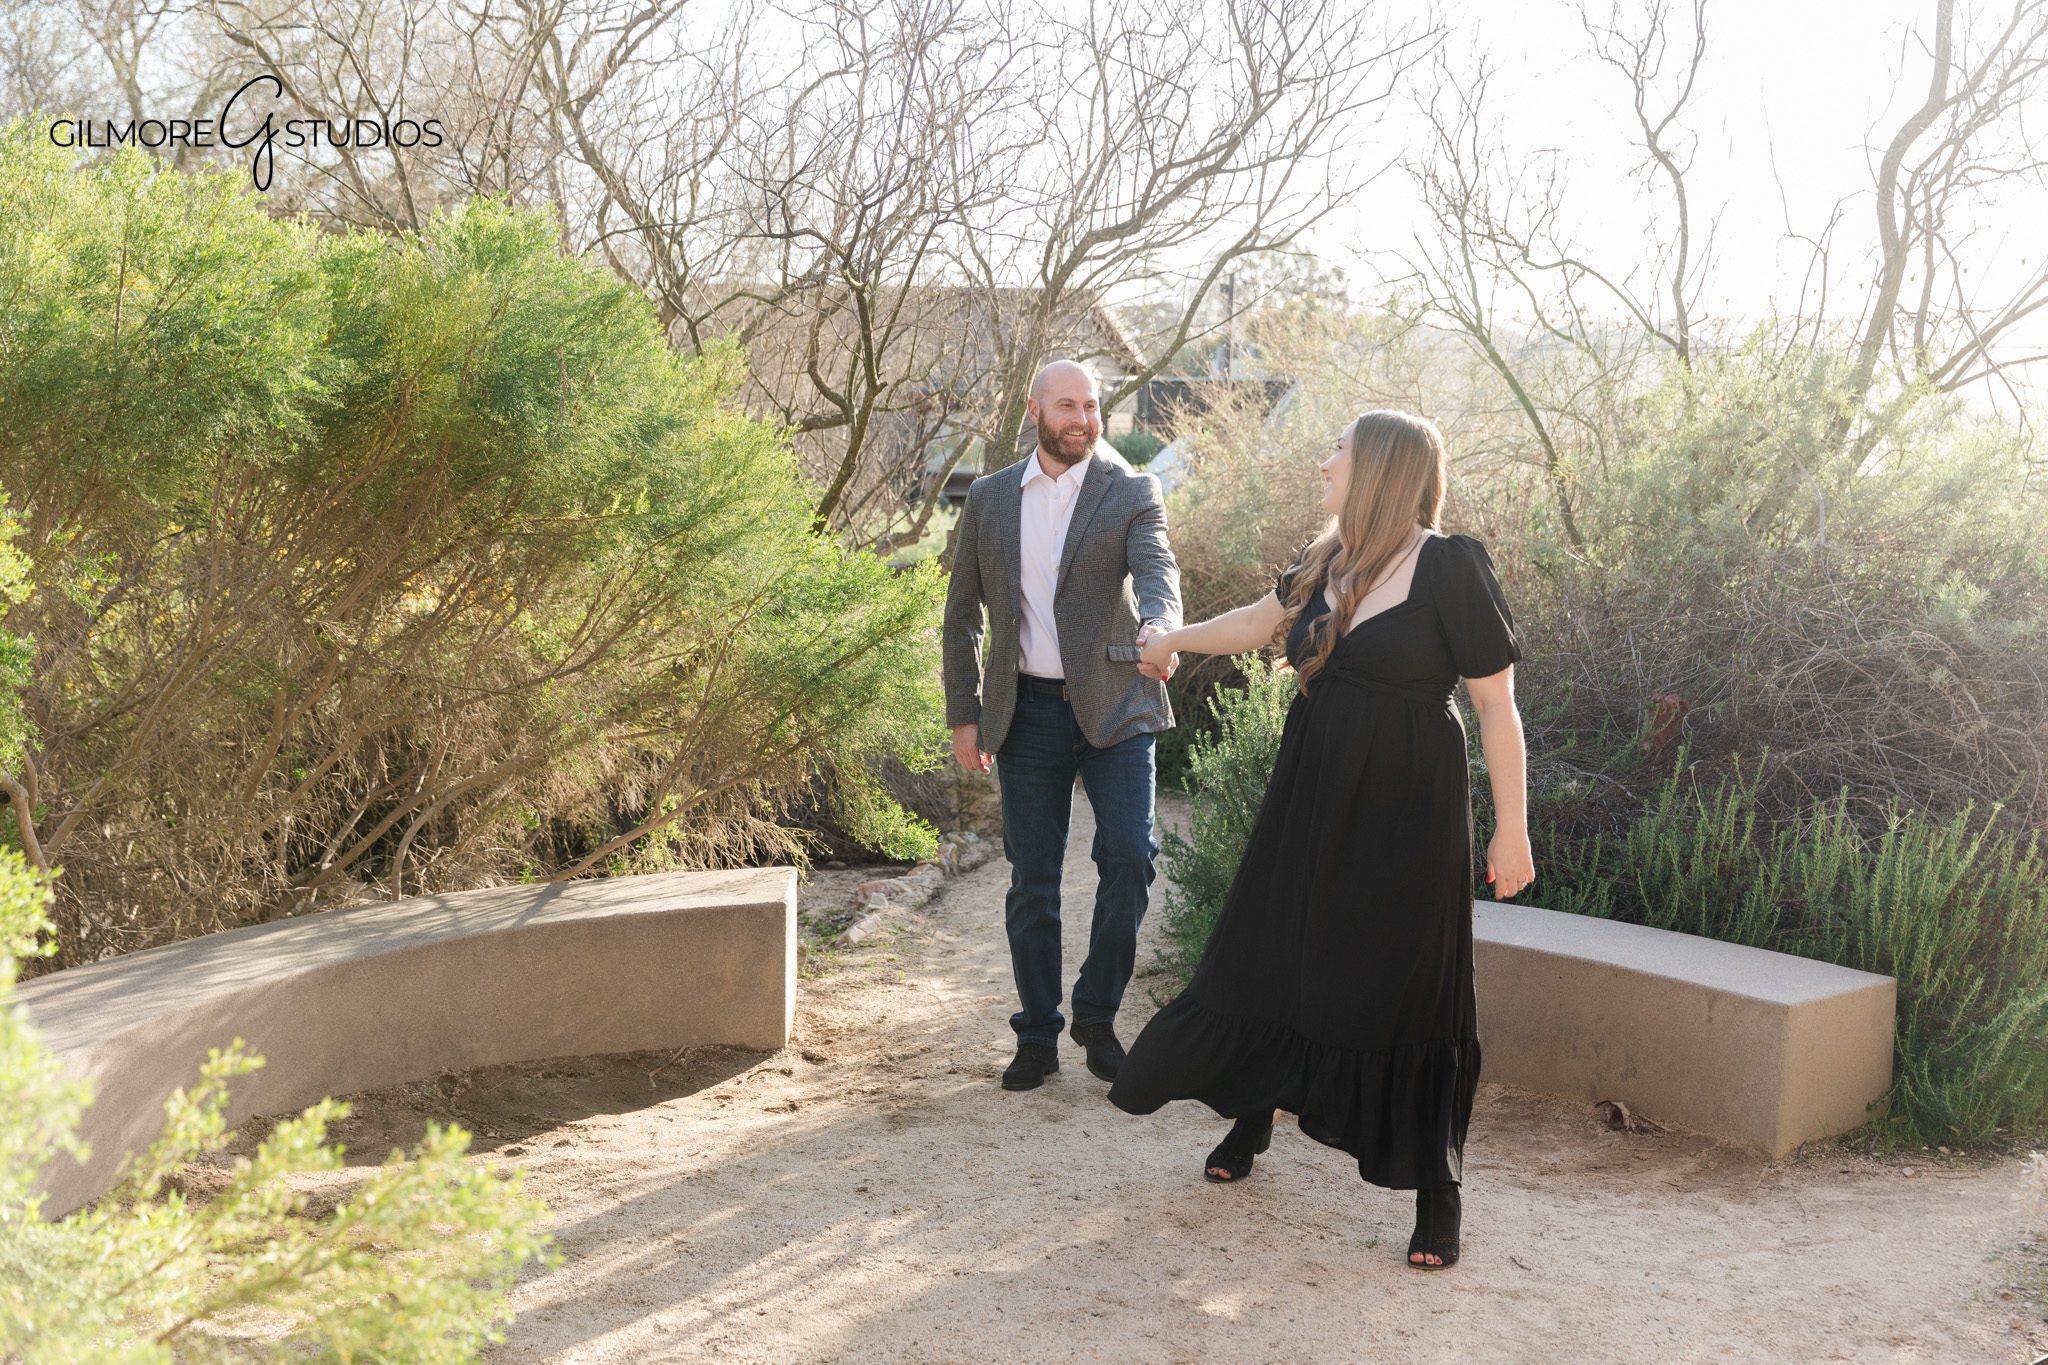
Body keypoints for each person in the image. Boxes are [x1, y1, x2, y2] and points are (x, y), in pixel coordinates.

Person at [1106, 408, 1532, 1271]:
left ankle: (1436, 1189)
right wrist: (1176, 639)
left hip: (1410, 806)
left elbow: (1497, 706)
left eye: (1337, 450)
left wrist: (1514, 828)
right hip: (1313, 795)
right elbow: (1259, 623)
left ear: (1377, 467)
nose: (1324, 461)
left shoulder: (1449, 567)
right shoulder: (1328, 559)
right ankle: (1256, 1108)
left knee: (1412, 981)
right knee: (1282, 951)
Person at [941, 360, 1184, 1092]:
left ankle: (1097, 1014)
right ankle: (1038, 1035)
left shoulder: (1132, 487)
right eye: (1069, 406)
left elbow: (1156, 570)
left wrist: (1162, 626)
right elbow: (961, 616)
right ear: (1036, 410)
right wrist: (965, 715)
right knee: (1033, 882)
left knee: (1130, 857)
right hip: (1026, 713)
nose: (1083, 418)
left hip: (1119, 699)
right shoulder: (989, 498)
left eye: (1093, 406)